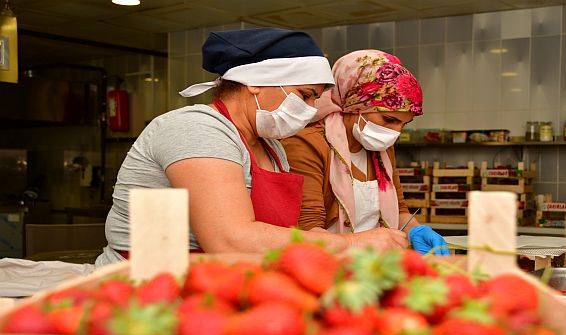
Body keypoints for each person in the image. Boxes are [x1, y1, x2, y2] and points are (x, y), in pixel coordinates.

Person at [96, 30, 407, 266]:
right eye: (306, 94)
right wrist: (352, 245)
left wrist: (327, 242)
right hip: (145, 279)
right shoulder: (196, 128)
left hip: (221, 279)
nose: (312, 109)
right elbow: (230, 240)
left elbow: (280, 234)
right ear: (256, 81)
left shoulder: (272, 147)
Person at [282, 50, 449, 255]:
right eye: (389, 120)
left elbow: (400, 210)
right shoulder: (307, 143)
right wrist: (358, 242)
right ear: (354, 105)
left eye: (404, 124)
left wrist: (417, 230)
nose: (395, 132)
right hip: (326, 265)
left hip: (375, 266)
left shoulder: (381, 149)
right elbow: (308, 229)